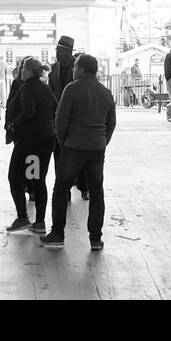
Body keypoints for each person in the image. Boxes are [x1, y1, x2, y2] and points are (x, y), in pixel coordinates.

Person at [41, 54, 116, 252]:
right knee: (96, 191)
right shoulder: (106, 93)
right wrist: (102, 140)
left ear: (82, 69)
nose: (73, 70)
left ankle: (57, 233)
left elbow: (61, 118)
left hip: (74, 146)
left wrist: (63, 140)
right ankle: (96, 239)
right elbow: (111, 123)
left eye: (75, 66)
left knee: (61, 188)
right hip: (97, 149)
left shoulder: (72, 89)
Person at [7, 57, 56, 233]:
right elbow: (55, 108)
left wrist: (14, 123)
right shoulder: (46, 88)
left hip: (30, 142)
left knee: (14, 177)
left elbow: (28, 111)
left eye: (23, 68)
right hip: (45, 140)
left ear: (29, 71)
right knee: (37, 179)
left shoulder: (27, 89)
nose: (21, 71)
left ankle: (22, 217)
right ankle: (40, 222)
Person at [48, 35, 88, 201]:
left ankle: (84, 187)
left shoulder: (78, 67)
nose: (57, 54)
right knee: (59, 154)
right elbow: (51, 90)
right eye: (56, 50)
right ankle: (63, 189)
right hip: (58, 117)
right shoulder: (54, 68)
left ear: (68, 52)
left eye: (60, 51)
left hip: (76, 119)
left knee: (79, 156)